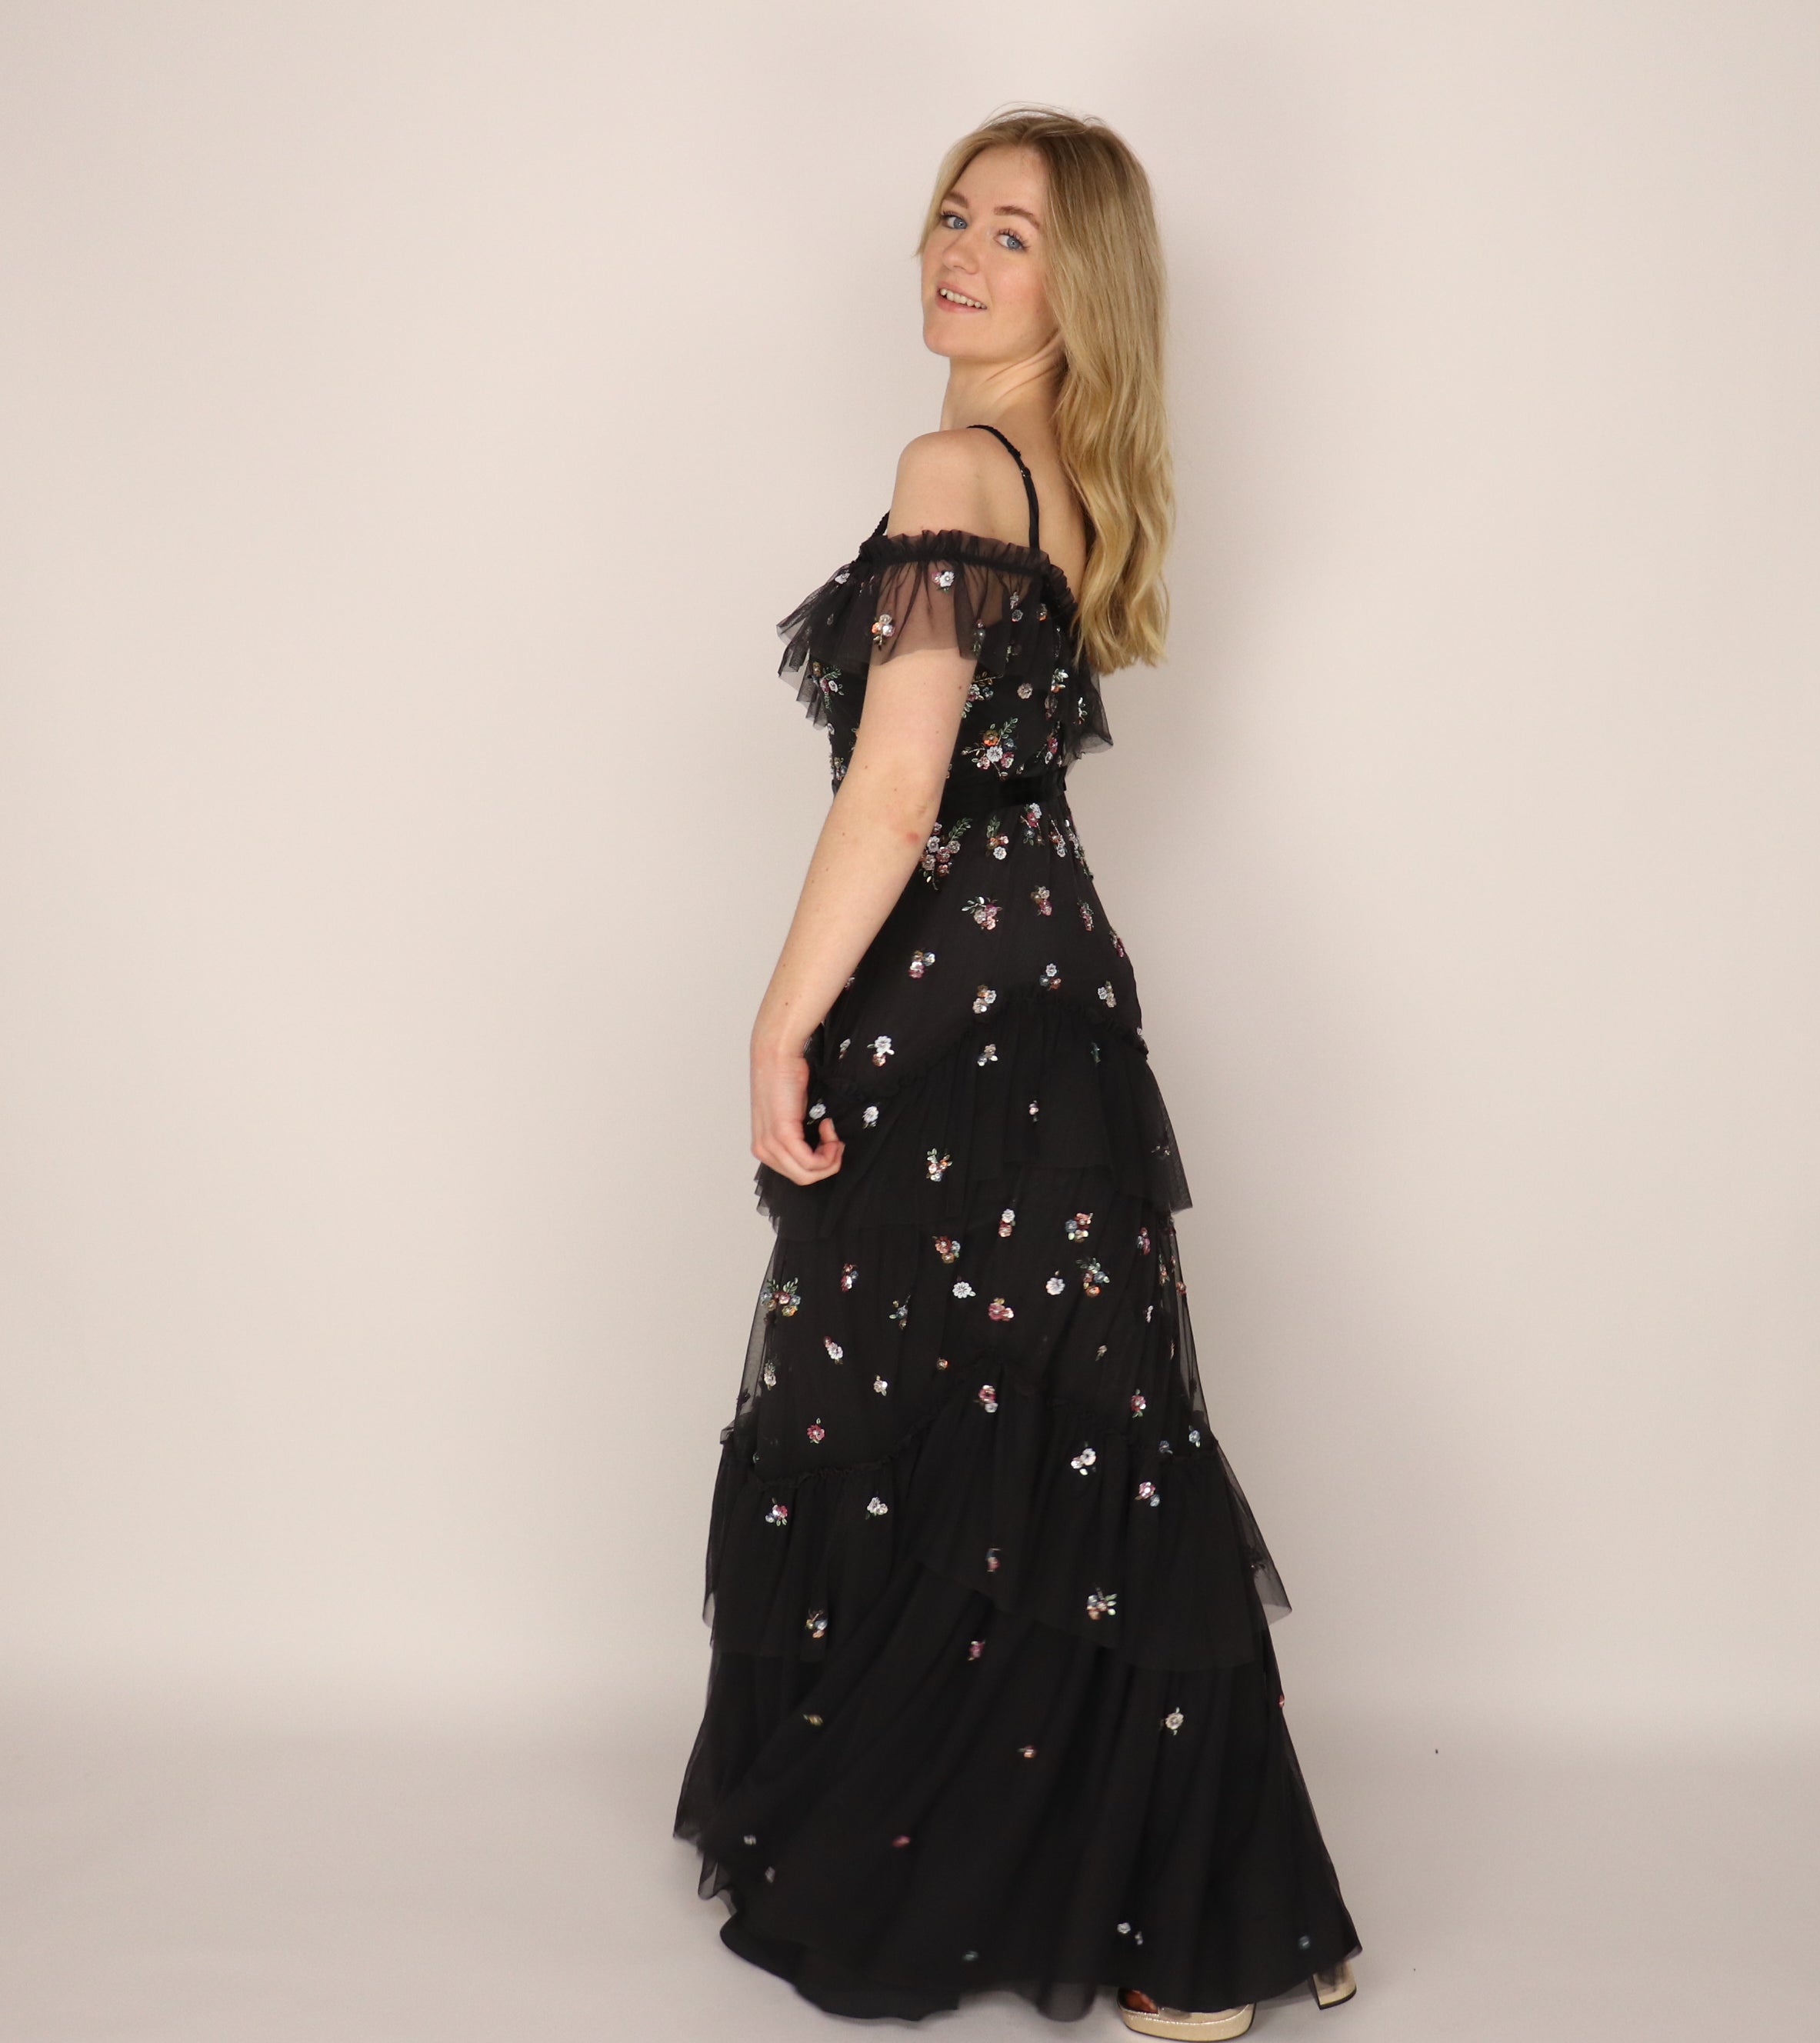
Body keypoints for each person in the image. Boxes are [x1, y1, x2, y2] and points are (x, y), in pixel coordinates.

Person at [673, 108, 1360, 2036]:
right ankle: (1191, 1916)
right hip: (1052, 1002)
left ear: (1085, 286)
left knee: (935, 1414)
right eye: (951, 217)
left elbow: (899, 790)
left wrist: (776, 1020)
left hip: (949, 1013)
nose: (959, 255)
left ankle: (1077, 1886)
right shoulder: (1066, 483)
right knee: (1065, 1428)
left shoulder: (953, 466)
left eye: (1013, 236)